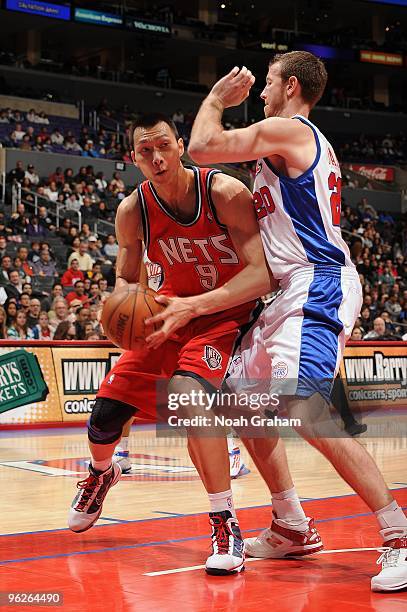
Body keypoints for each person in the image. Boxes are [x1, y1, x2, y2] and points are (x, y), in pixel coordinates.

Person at [146, 53, 407, 591]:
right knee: (240, 403)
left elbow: (200, 148)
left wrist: (217, 100)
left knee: (308, 411)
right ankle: (291, 524)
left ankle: (397, 534)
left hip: (316, 283)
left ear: (291, 86)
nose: (261, 93)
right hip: (287, 291)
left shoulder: (290, 129)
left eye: (267, 84)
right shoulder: (282, 145)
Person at [67, 113, 321, 576]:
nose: (156, 157)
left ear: (180, 145)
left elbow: (260, 272)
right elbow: (125, 280)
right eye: (145, 151)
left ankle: (224, 522)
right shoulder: (133, 210)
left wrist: (197, 306)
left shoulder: (223, 192)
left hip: (222, 317)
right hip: (166, 315)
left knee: (190, 400)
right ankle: (102, 473)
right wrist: (126, 305)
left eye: (163, 145)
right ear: (134, 159)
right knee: (103, 417)